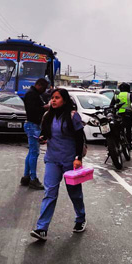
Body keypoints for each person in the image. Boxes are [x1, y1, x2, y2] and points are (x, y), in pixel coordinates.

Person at [30, 88, 87, 241]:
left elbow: (79, 138)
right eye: (52, 98)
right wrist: (42, 138)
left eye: (57, 98)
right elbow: (46, 134)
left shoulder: (73, 116)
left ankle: (80, 218)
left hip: (70, 161)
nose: (53, 100)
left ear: (65, 100)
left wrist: (77, 158)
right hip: (52, 160)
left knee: (74, 193)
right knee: (50, 193)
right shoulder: (47, 116)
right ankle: (42, 228)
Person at [21, 78, 48, 190]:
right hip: (33, 125)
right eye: (44, 88)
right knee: (34, 153)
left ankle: (26, 176)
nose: (44, 91)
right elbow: (33, 111)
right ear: (39, 85)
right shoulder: (32, 95)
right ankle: (33, 178)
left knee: (31, 152)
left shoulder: (33, 94)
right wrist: (45, 108)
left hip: (32, 125)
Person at [115, 83, 132, 148]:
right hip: (128, 114)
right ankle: (129, 144)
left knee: (119, 129)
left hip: (119, 115)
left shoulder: (117, 95)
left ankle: (118, 142)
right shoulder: (129, 95)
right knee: (128, 130)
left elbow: (112, 104)